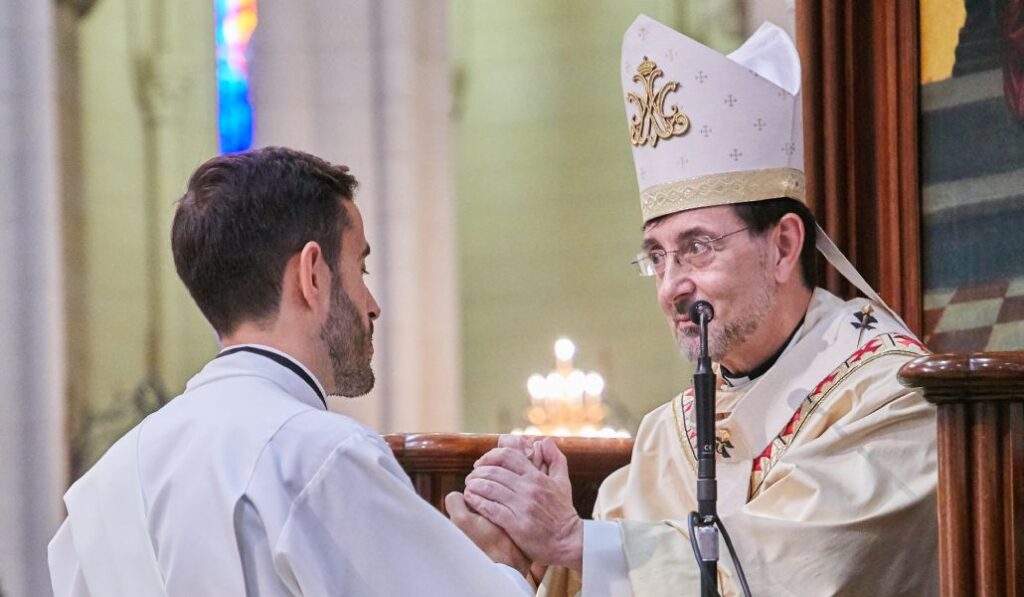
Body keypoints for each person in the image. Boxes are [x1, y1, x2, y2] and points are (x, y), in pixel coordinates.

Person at [451, 16, 938, 597]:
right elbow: (596, 567)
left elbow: (806, 569)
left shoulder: (892, 397)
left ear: (783, 246)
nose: (671, 286)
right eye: (656, 256)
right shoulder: (667, 435)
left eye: (697, 248)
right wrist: (519, 562)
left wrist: (572, 542)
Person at [47, 147, 532, 596]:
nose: (372, 306)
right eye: (359, 270)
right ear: (313, 274)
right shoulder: (319, 455)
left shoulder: (103, 485)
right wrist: (499, 564)